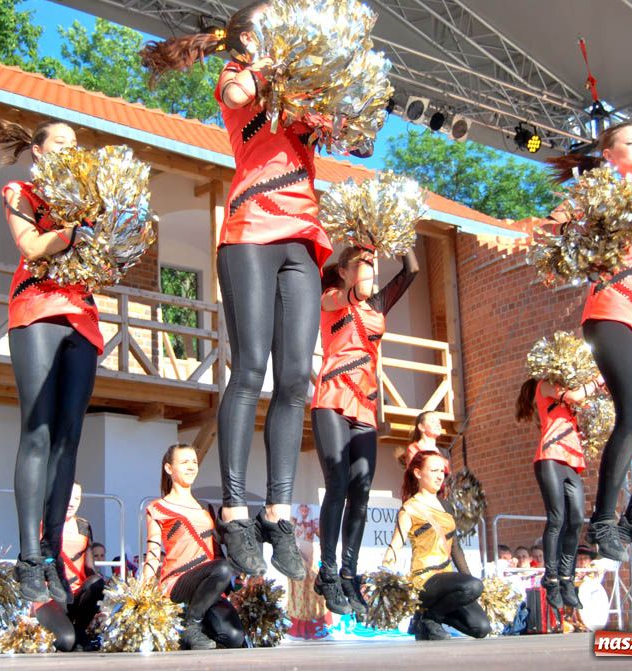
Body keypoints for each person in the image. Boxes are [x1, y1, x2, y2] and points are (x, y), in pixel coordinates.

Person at [142, 2, 346, 579]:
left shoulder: (304, 88)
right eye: (271, 29)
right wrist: (267, 60)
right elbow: (236, 96)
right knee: (251, 367)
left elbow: (352, 139)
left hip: (303, 237)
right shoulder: (238, 74)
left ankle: (278, 514)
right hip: (252, 228)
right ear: (249, 38)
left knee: (296, 378)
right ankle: (234, 511)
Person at [543, 121, 632, 562]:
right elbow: (553, 229)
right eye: (630, 141)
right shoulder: (594, 191)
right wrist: (579, 239)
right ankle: (603, 521)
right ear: (608, 154)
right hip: (610, 312)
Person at [0, 119, 103, 603]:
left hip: (83, 317)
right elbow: (32, 247)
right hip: (36, 309)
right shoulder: (21, 191)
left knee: (69, 439)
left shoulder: (91, 199)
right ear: (38, 150)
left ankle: (53, 551)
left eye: (76, 142)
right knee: (38, 432)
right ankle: (29, 556)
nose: (71, 147)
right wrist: (74, 232)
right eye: (60, 140)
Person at [311, 245, 419, 616]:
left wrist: (395, 237)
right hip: (332, 397)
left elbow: (411, 271)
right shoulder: (330, 297)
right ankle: (327, 571)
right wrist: (365, 252)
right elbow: (354, 293)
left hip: (365, 404)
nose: (371, 269)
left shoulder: (378, 306)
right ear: (343, 271)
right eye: (363, 264)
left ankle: (348, 574)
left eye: (373, 264)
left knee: (361, 491)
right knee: (338, 483)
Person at [143, 444, 245, 650]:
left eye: (194, 462)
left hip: (210, 585)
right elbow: (153, 551)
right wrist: (144, 592)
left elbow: (218, 551)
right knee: (222, 568)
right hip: (179, 583)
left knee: (234, 637)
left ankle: (191, 627)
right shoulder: (157, 507)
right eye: (184, 462)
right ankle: (191, 626)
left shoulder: (205, 507)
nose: (191, 467)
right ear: (169, 468)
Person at [383, 451, 491, 640]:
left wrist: (470, 581)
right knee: (473, 586)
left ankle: (427, 617)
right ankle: (430, 618)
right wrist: (384, 575)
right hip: (425, 579)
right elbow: (396, 544)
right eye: (434, 470)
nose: (440, 476)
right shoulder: (410, 508)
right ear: (418, 473)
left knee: (481, 628)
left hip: (447, 580)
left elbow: (455, 548)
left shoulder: (446, 506)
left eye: (442, 471)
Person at [515, 376, 596, 612]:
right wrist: (598, 380)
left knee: (577, 519)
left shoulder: (567, 401)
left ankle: (566, 578)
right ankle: (551, 579)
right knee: (557, 518)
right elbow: (576, 395)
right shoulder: (546, 386)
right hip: (550, 457)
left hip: (571, 460)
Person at [34, 483, 106, 651]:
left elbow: (90, 567)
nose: (72, 503)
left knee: (97, 582)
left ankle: (80, 630)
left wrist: (108, 592)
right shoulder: (44, 524)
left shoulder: (84, 526)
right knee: (66, 641)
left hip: (76, 596)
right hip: (51, 596)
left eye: (77, 498)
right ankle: (70, 632)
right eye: (68, 497)